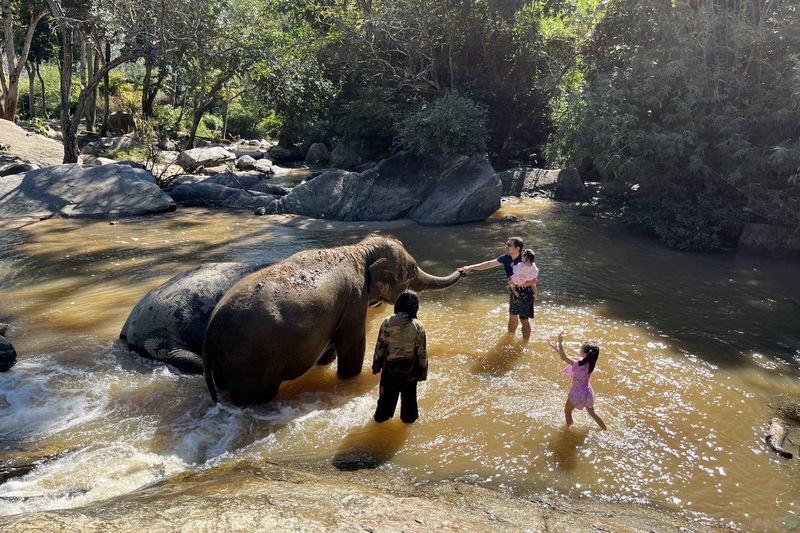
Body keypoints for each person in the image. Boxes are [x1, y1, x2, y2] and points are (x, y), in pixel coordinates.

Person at [458, 237, 536, 340]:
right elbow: (488, 264)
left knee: (524, 320)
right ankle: (509, 339)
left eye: (509, 245)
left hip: (526, 293)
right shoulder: (506, 257)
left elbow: (534, 281)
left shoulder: (525, 260)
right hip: (514, 291)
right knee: (512, 316)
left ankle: (525, 344)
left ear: (517, 248)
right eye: (506, 244)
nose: (506, 246)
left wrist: (518, 284)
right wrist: (470, 267)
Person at [372, 290, 428, 424]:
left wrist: (376, 366)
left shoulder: (387, 321)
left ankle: (380, 423)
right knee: (410, 401)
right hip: (410, 370)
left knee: (385, 401)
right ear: (415, 306)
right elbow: (422, 353)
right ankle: (409, 422)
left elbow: (380, 347)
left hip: (390, 369)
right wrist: (423, 372)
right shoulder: (418, 325)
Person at [547, 331, 607, 430]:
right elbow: (567, 357)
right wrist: (556, 348)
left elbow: (564, 357)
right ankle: (605, 429)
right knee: (592, 413)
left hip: (577, 392)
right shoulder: (590, 363)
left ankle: (570, 432)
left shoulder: (579, 364)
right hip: (588, 392)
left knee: (567, 411)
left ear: (584, 353)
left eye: (581, 348)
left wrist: (560, 343)